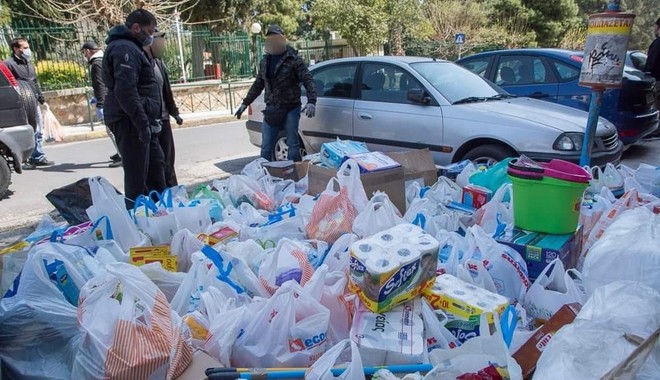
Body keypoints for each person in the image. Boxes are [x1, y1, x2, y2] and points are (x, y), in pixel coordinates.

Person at [103, 9, 166, 208]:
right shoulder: (124, 49)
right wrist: (142, 125)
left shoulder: (132, 47)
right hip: (130, 122)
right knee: (137, 177)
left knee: (156, 170)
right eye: (149, 31)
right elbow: (125, 91)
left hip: (141, 121)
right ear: (136, 27)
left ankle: (161, 214)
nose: (151, 36)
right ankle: (136, 218)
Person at [234, 25, 317, 162]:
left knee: (293, 145)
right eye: (270, 39)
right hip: (272, 110)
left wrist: (311, 101)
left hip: (291, 108)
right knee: (266, 147)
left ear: (283, 39)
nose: (273, 42)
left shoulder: (294, 60)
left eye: (276, 38)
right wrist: (245, 103)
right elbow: (258, 84)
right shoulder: (265, 62)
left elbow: (308, 80)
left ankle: (294, 176)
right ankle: (264, 176)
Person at [5, 37, 54, 167]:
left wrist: (41, 97)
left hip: (33, 101)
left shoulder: (28, 63)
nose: (28, 50)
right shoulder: (9, 64)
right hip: (21, 103)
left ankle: (38, 156)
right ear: (16, 49)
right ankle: (26, 158)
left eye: (28, 47)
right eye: (25, 48)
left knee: (38, 129)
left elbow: (34, 81)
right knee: (28, 129)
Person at [143, 29, 183, 187]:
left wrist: (175, 113)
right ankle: (160, 196)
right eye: (160, 40)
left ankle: (173, 193)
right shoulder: (141, 62)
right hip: (150, 122)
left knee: (168, 160)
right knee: (156, 163)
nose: (163, 45)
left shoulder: (159, 63)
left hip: (164, 119)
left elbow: (167, 91)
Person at [81, 41, 122, 168]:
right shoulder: (102, 61)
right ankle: (120, 152)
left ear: (88, 51)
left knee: (111, 130)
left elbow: (100, 84)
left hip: (107, 101)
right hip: (110, 98)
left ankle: (123, 155)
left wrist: (100, 103)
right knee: (113, 130)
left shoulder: (97, 63)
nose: (84, 55)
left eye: (84, 52)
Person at [645, 18, 660, 109]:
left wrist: (646, 74)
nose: (654, 29)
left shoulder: (658, 43)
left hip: (657, 81)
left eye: (655, 26)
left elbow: (651, 61)